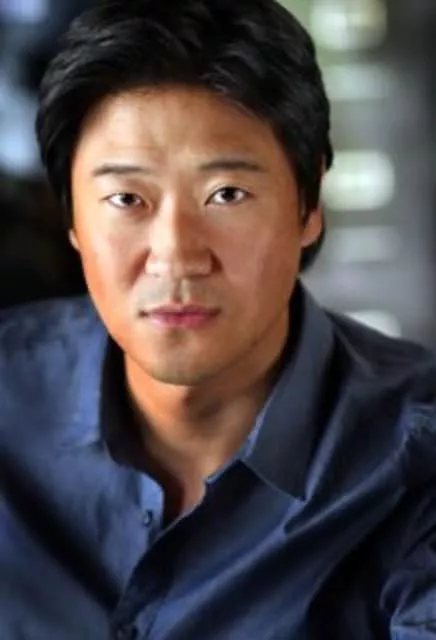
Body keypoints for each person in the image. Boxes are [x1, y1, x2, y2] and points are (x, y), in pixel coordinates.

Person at [1, 0, 436, 638]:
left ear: (309, 204)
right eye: (126, 198)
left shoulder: (416, 457)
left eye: (226, 195)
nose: (176, 254)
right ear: (71, 219)